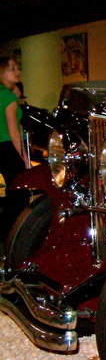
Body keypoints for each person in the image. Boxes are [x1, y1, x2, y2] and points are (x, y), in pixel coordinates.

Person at [0, 56, 29, 243]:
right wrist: (25, 158)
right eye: (12, 68)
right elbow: (13, 130)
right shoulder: (8, 96)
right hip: (7, 147)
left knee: (14, 193)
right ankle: (6, 234)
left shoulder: (6, 93)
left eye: (18, 68)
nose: (17, 71)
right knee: (20, 194)